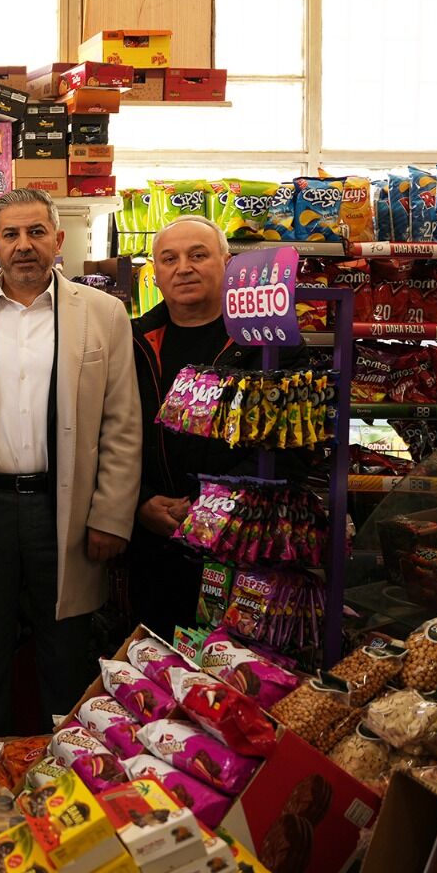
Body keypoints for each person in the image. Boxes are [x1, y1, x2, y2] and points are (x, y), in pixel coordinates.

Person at [0, 188, 141, 735]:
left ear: (59, 239)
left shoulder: (103, 314)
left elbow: (122, 422)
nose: (23, 246)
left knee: (67, 656)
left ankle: (70, 778)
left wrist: (110, 515)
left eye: (35, 233)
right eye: (10, 234)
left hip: (67, 510)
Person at [130, 215, 259, 640]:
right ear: (156, 271)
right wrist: (142, 502)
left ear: (226, 261)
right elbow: (111, 435)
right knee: (154, 665)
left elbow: (285, 444)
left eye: (197, 255)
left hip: (240, 546)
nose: (183, 267)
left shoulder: (265, 342)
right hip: (154, 540)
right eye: (169, 258)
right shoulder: (132, 341)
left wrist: (211, 507)